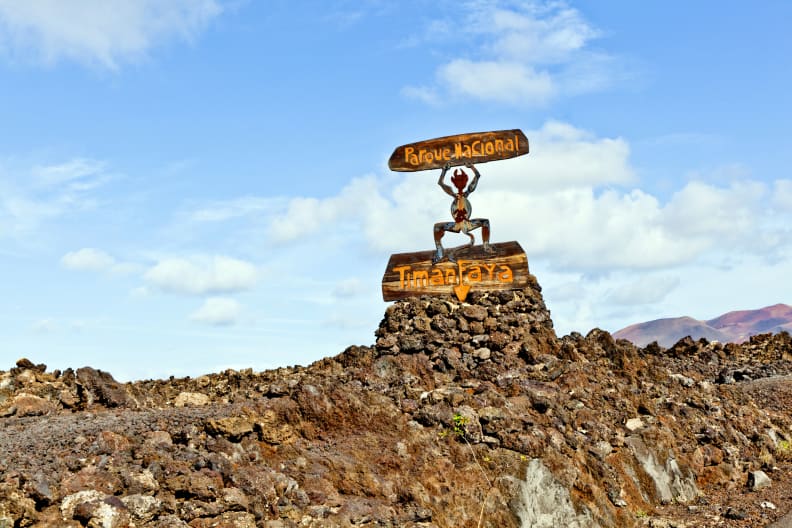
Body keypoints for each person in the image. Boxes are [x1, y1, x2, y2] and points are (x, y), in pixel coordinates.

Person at [432, 161, 490, 263]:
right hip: (457, 224)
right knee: (437, 227)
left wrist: (472, 167)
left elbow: (477, 176)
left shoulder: (465, 194)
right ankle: (440, 252)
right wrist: (444, 171)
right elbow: (440, 183)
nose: (460, 183)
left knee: (485, 222)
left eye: (462, 181)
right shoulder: (454, 194)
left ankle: (486, 246)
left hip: (467, 223)